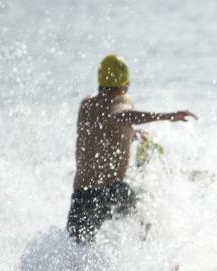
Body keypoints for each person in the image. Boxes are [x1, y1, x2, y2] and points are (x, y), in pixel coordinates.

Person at [67, 54, 196, 243]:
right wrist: (168, 116)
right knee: (145, 217)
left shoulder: (86, 104)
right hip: (109, 191)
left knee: (74, 253)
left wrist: (130, 135)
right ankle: (158, 259)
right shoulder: (120, 100)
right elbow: (119, 117)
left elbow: (101, 130)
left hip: (81, 196)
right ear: (124, 84)